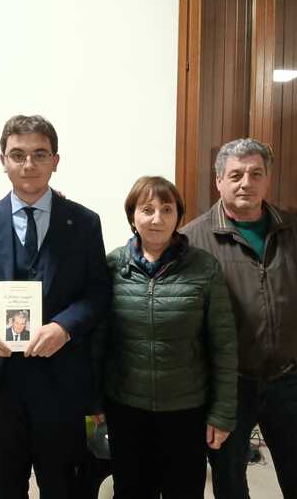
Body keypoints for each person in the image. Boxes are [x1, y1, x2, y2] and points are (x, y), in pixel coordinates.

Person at [0, 114, 111, 498]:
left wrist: (65, 327)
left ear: (55, 161)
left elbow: (97, 292)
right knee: (5, 487)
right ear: (3, 161)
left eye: (40, 154)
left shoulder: (84, 222)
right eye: (18, 154)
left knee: (61, 487)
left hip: (61, 380)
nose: (29, 164)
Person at [180, 138, 297, 499]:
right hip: (227, 386)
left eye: (255, 174)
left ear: (268, 180)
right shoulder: (192, 240)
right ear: (218, 181)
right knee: (230, 481)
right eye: (235, 175)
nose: (245, 183)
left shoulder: (295, 231)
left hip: (286, 378)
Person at [91, 176, 238, 499]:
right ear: (132, 217)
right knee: (131, 491)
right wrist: (94, 399)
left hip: (186, 409)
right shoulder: (112, 266)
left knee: (184, 491)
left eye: (167, 209)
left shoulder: (204, 268)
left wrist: (223, 412)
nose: (157, 218)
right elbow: (99, 340)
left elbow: (224, 346)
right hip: (126, 407)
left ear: (178, 217)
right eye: (147, 209)